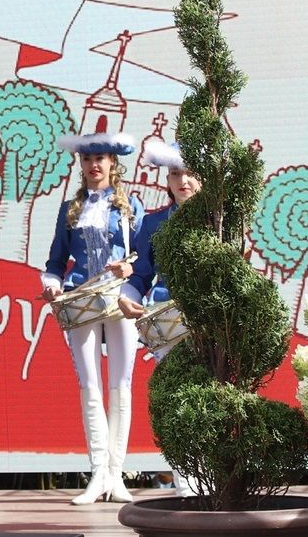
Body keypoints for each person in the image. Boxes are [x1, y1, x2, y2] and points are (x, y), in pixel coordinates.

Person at [41, 133, 144, 505]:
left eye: (100, 158)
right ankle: (98, 472)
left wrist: (129, 268)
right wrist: (52, 284)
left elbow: (144, 256)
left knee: (121, 385)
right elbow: (55, 261)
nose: (93, 165)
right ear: (80, 164)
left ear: (112, 162)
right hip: (82, 299)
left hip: (120, 299)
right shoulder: (69, 209)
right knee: (89, 386)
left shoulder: (131, 205)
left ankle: (116, 474)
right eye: (87, 159)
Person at [117, 141, 202, 497]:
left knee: (210, 397)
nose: (183, 181)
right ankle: (187, 486)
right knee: (177, 399)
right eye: (175, 174)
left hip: (212, 322)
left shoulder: (223, 222)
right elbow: (140, 275)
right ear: (166, 180)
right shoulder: (153, 223)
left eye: (190, 173)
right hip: (167, 320)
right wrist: (127, 297)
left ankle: (215, 482)